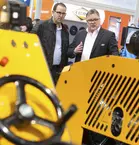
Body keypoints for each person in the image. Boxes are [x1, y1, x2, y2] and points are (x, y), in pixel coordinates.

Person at [37, 2, 69, 85]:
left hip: (58, 70)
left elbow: (65, 52)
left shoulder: (65, 31)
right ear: (53, 12)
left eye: (63, 13)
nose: (61, 15)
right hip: (43, 67)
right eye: (58, 12)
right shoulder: (42, 26)